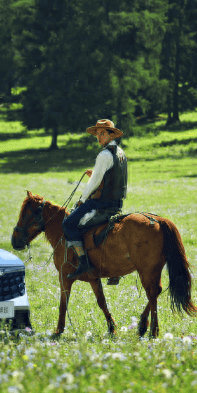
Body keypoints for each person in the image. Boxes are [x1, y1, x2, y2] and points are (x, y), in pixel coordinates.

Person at [62, 119, 128, 280]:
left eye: (102, 133)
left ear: (111, 134)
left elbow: (94, 183)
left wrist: (82, 200)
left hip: (101, 203)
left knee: (68, 224)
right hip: (117, 202)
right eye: (97, 134)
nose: (99, 137)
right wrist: (98, 175)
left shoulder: (104, 154)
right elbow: (113, 177)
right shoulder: (120, 153)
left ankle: (84, 263)